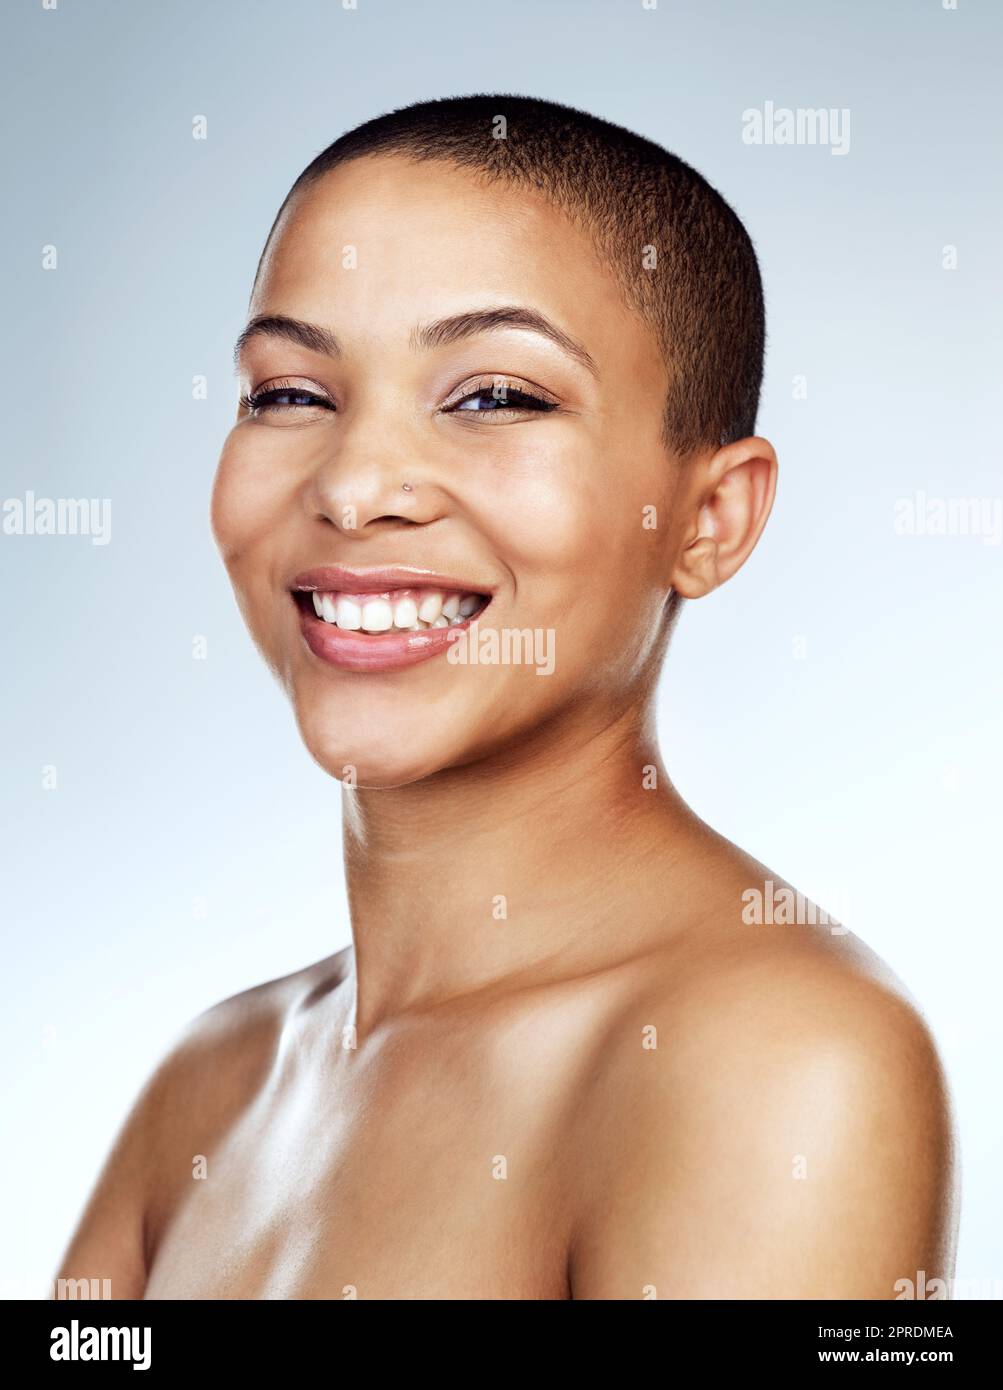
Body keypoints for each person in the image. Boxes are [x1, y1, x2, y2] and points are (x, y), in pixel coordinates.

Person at [55, 94, 958, 1300]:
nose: (358, 485)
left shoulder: (780, 1059)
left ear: (708, 517)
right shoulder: (210, 1083)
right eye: (290, 394)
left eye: (494, 396)